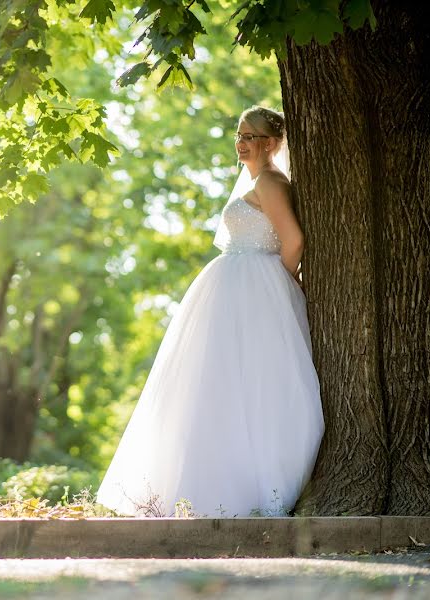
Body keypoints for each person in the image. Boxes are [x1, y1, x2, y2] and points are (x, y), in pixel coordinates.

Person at [96, 106, 324, 517]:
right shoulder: (256, 181)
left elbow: (292, 241)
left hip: (257, 288)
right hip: (231, 288)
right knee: (216, 385)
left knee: (256, 385)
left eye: (250, 136)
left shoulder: (272, 182)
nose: (241, 143)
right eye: (238, 134)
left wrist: (280, 286)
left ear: (272, 143)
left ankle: (258, 488)